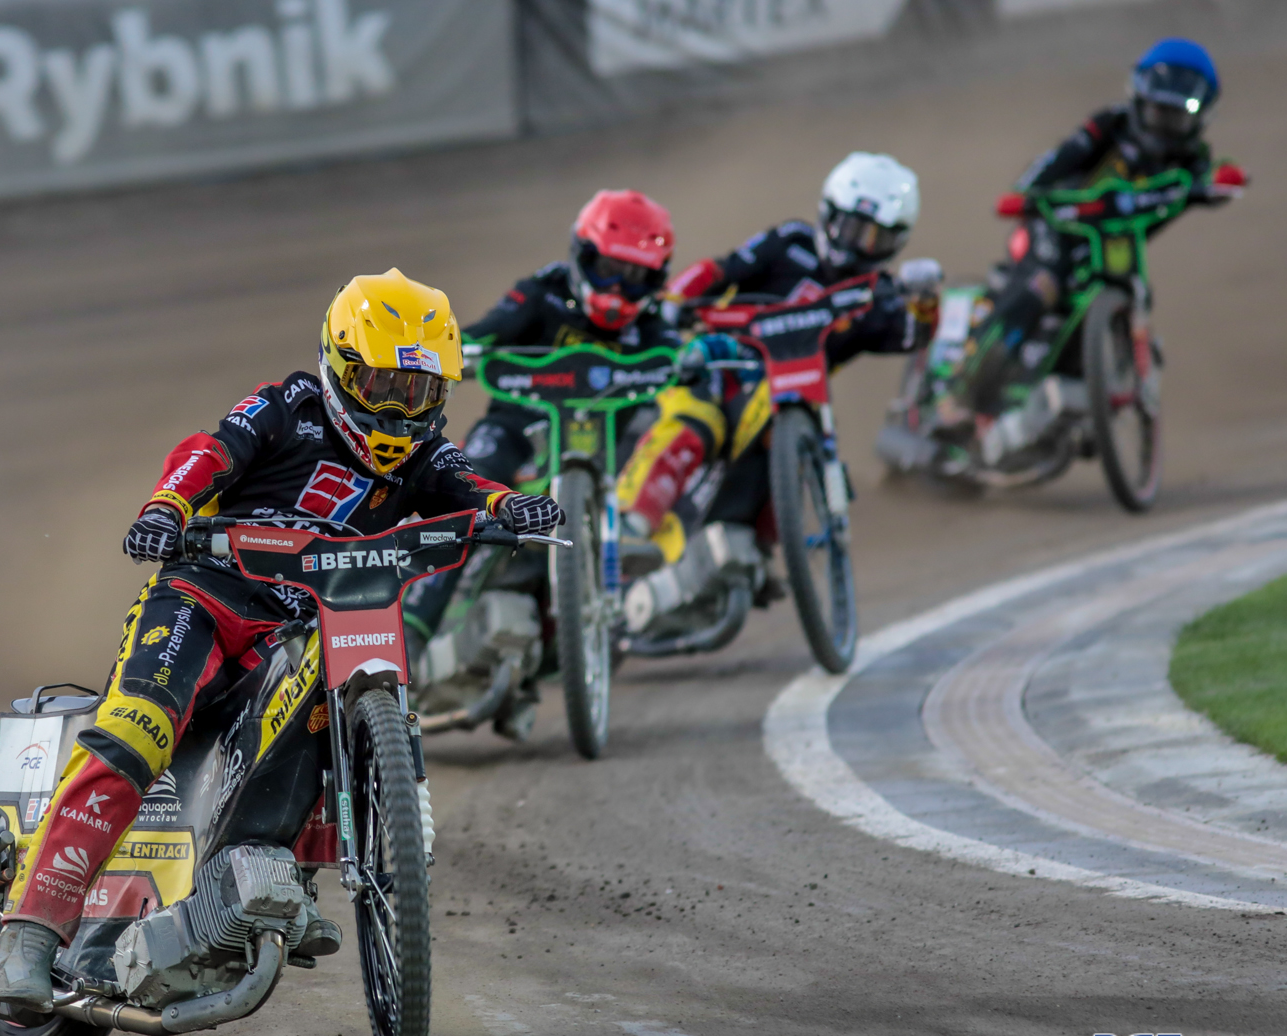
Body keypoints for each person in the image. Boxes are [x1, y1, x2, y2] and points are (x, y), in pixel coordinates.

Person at [0, 269, 563, 1010]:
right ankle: (28, 935)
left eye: (418, 392)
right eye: (383, 386)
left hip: (297, 627)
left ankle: (259, 879)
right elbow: (212, 451)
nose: (399, 410)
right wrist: (167, 506)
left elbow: (471, 486)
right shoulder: (288, 404)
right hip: (205, 597)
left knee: (322, 698)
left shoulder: (426, 455)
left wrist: (513, 508)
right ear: (340, 367)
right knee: (137, 727)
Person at [399, 190, 680, 654]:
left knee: (668, 437)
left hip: (606, 448)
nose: (617, 290)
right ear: (582, 255)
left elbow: (681, 355)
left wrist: (701, 359)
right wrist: (453, 352)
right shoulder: (541, 292)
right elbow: (486, 330)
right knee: (463, 485)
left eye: (635, 278)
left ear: (657, 279)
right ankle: (410, 629)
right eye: (608, 269)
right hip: (514, 432)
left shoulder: (653, 323)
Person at [618, 152, 939, 556]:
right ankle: (631, 521)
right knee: (696, 419)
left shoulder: (877, 295)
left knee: (789, 451)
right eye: (854, 229)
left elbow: (912, 336)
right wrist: (673, 301)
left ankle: (754, 551)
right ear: (829, 213)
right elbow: (720, 271)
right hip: (724, 364)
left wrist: (925, 300)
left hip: (792, 403)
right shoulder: (790, 241)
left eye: (878, 238)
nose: (862, 246)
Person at [938, 37, 1242, 435]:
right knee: (1040, 288)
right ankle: (958, 392)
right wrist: (1025, 193)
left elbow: (1212, 180)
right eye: (1157, 112)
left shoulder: (1191, 160)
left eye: (1177, 118)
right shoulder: (1109, 126)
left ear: (1201, 119)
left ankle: (1082, 385)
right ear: (1138, 101)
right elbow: (1058, 159)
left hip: (1112, 249)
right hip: (1056, 229)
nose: (1164, 126)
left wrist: (1223, 181)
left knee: (1125, 297)